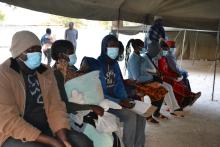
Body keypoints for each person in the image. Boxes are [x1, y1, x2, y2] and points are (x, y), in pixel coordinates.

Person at [0, 31, 92, 147]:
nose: (37, 54)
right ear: (18, 53)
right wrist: (51, 141)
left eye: (38, 50)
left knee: (82, 142)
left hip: (46, 127)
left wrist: (63, 138)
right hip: (14, 134)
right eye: (30, 50)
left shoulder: (45, 72)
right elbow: (8, 120)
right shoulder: (4, 75)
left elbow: (55, 106)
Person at [51, 40, 119, 147]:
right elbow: (63, 105)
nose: (74, 55)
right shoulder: (55, 74)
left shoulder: (70, 69)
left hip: (83, 110)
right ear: (60, 55)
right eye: (71, 52)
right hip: (69, 118)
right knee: (101, 139)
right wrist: (91, 106)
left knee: (109, 134)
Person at [96, 35, 146, 147]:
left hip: (118, 100)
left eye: (116, 46)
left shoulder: (115, 64)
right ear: (104, 47)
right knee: (131, 117)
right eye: (111, 46)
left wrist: (125, 99)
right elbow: (99, 93)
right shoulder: (97, 65)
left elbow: (119, 84)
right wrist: (119, 102)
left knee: (141, 114)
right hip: (105, 103)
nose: (115, 49)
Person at [128, 39, 184, 117]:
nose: (144, 48)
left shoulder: (140, 57)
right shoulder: (134, 59)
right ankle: (151, 114)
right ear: (137, 47)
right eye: (143, 46)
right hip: (137, 83)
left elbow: (145, 71)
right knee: (160, 90)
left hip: (145, 80)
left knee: (164, 88)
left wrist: (153, 76)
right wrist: (152, 77)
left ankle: (160, 111)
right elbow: (137, 78)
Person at [158, 40, 201, 107]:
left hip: (167, 75)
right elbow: (167, 70)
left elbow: (171, 68)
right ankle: (186, 99)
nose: (173, 48)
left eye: (174, 47)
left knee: (181, 81)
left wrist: (176, 74)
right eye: (172, 47)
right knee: (176, 83)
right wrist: (175, 75)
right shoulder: (161, 58)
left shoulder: (164, 57)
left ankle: (189, 97)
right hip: (164, 77)